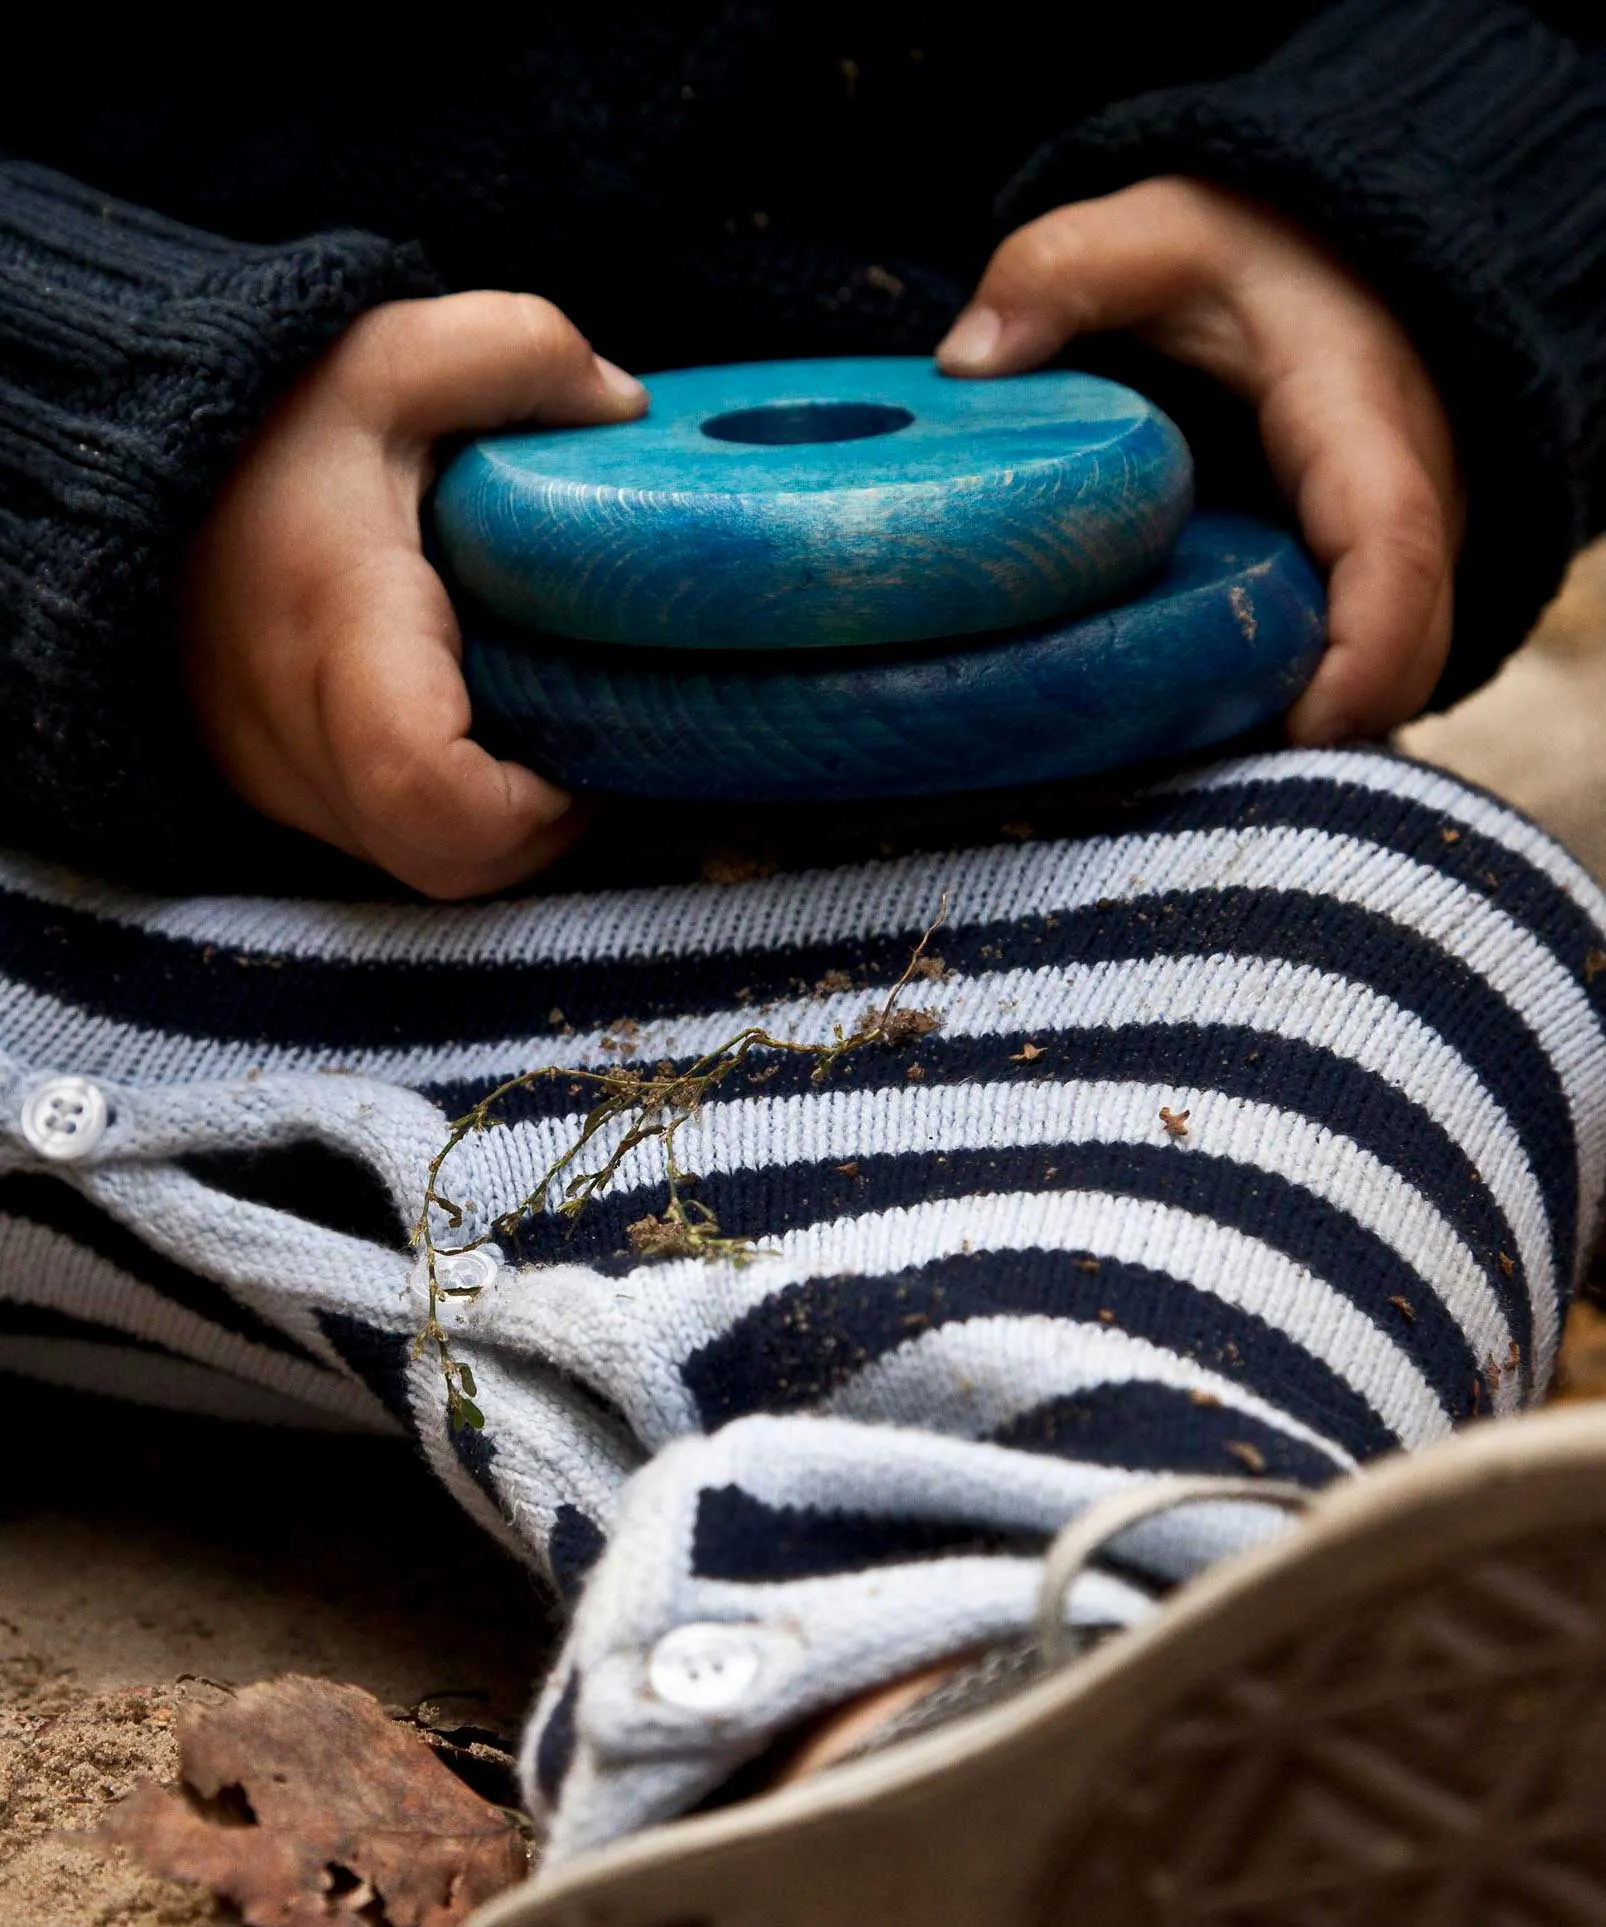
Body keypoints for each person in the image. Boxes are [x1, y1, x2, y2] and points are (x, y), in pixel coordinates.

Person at [1, 5, 1605, 1918]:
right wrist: (101, 440)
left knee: (1402, 918)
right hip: (87, 817)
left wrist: (1398, 208)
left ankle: (967, 1712)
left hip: (986, 847)